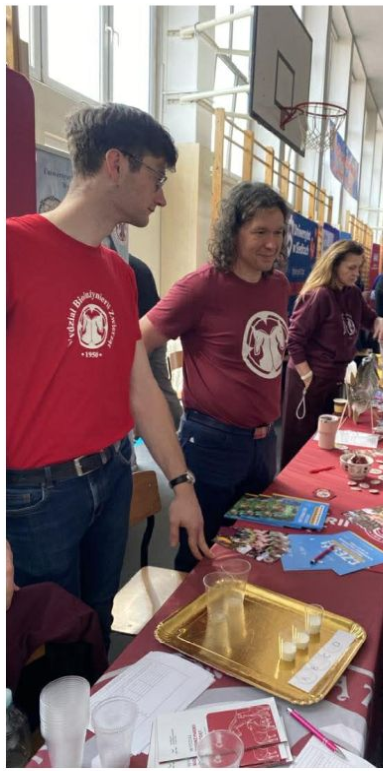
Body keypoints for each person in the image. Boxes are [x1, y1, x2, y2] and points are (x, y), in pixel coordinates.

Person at [7, 103, 211, 649]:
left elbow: (140, 386)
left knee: (95, 623)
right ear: (116, 164)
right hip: (36, 496)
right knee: (47, 644)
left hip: (113, 473)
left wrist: (182, 483)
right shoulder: (12, 248)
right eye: (158, 178)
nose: (162, 197)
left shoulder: (119, 273)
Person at [141, 182, 291, 571]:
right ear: (234, 232)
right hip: (213, 442)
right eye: (260, 232)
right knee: (200, 555)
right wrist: (149, 399)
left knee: (254, 550)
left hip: (264, 442)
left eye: (278, 232)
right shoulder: (201, 286)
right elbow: (136, 341)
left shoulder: (277, 285)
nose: (271, 243)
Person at [280, 240, 383, 467]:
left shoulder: (353, 294)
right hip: (309, 379)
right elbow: (294, 340)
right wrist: (307, 376)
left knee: (328, 439)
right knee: (300, 442)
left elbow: (369, 318)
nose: (356, 273)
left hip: (334, 378)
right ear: (334, 265)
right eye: (351, 268)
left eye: (359, 267)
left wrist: (380, 321)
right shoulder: (319, 295)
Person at [128, 253, 182, 429]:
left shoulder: (125, 265)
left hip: (143, 334)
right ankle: (175, 428)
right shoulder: (137, 265)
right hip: (154, 332)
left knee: (148, 386)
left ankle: (170, 428)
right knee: (160, 384)